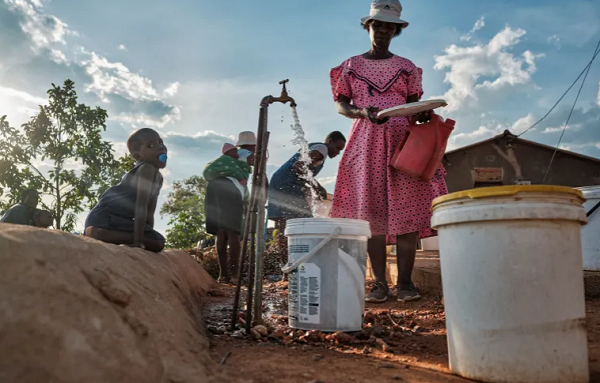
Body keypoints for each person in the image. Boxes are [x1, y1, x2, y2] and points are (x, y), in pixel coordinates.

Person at [329, 0, 448, 303]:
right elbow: (341, 104)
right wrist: (360, 112)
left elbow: (414, 104)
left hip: (403, 144)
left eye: (388, 26)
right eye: (377, 25)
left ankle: (406, 283)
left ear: (396, 31)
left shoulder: (406, 66)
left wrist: (422, 115)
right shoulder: (351, 66)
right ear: (367, 27)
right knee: (372, 215)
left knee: (407, 211)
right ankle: (380, 284)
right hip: (365, 143)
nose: (382, 30)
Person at [84, 128, 167, 252]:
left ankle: (106, 234)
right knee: (158, 242)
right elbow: (141, 205)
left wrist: (147, 234)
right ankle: (99, 233)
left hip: (116, 220)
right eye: (151, 145)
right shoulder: (146, 168)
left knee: (158, 242)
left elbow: (150, 212)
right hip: (104, 217)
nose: (161, 147)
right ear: (138, 156)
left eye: (160, 142)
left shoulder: (159, 178)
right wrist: (138, 241)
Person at [267, 131, 346, 233]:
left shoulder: (317, 148)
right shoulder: (322, 149)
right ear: (330, 141)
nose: (338, 153)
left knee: (287, 223)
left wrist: (311, 188)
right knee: (303, 221)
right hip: (287, 184)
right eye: (337, 148)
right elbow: (299, 165)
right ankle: (296, 247)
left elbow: (302, 171)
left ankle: (285, 248)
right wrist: (316, 186)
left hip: (280, 182)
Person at [204, 139, 255, 283]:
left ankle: (223, 275)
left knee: (221, 231)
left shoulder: (230, 158)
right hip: (229, 190)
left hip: (214, 190)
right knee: (233, 232)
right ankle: (234, 275)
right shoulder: (244, 153)